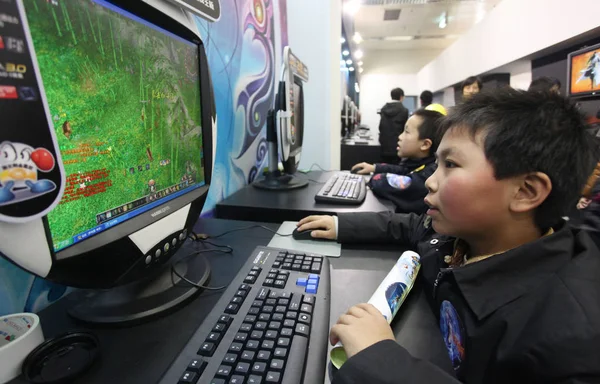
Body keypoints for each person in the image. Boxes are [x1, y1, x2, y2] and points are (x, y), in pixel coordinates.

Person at [298, 89, 600, 383]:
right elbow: (413, 226)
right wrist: (342, 225)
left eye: (451, 165)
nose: (429, 181)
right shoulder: (464, 236)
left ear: (525, 191)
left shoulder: (569, 341)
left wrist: (381, 359)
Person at [351, 109, 443, 213]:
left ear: (425, 144)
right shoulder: (423, 162)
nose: (400, 137)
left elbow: (385, 183)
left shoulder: (429, 176)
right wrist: (374, 168)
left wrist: (371, 179)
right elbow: (403, 170)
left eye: (406, 132)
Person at [378, 88, 409, 164]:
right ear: (401, 97)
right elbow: (405, 129)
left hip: (383, 144)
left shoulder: (383, 109)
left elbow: (381, 126)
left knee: (383, 167)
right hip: (397, 145)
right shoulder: (404, 110)